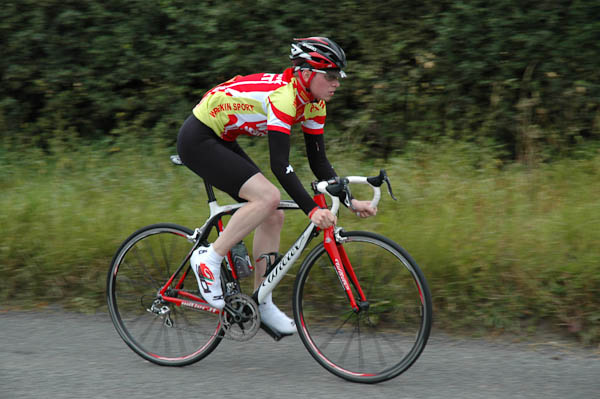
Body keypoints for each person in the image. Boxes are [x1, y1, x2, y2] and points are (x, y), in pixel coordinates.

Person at [177, 37, 377, 334]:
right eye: (331, 76)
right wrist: (311, 211)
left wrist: (350, 200)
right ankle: (209, 258)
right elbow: (279, 165)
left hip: (223, 137)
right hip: (198, 138)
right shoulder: (284, 97)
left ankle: (261, 300)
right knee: (268, 197)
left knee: (273, 213)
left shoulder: (313, 104)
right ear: (307, 74)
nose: (337, 83)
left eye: (339, 76)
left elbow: (319, 163)